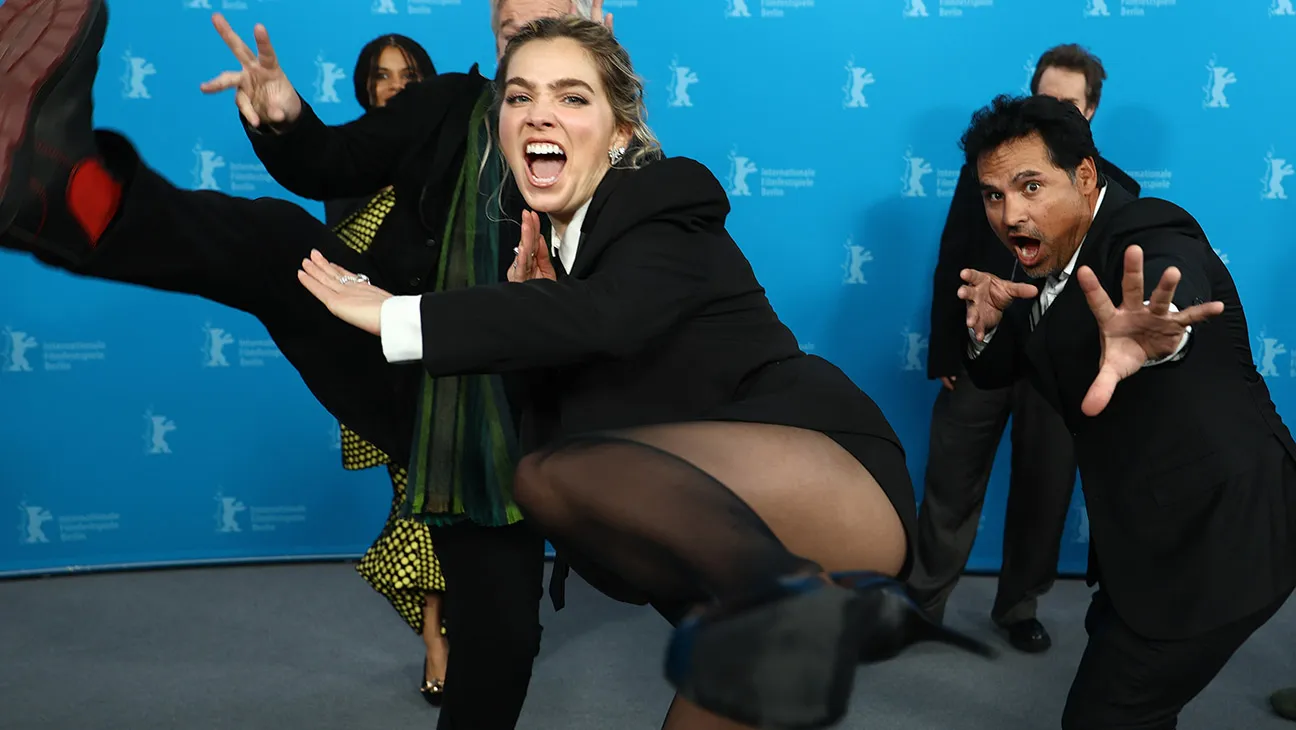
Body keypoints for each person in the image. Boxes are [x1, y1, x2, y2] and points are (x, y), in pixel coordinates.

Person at [298, 15, 993, 730]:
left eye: (573, 97)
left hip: (830, 480)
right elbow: (586, 390)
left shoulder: (662, 198)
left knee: (552, 473)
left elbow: (607, 319)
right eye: (519, 96)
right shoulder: (545, 255)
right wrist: (538, 317)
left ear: (622, 131)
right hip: (743, 554)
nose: (540, 112)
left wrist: (400, 316)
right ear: (499, 124)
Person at [0, 0, 610, 728]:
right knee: (277, 241)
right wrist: (285, 117)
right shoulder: (447, 103)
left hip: (527, 412)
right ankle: (64, 197)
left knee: (501, 643)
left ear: (589, 19)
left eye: (551, 23)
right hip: (411, 363)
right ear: (494, 29)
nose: (527, 34)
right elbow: (334, 160)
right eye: (513, 24)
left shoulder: (622, 141)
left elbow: (637, 277)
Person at [956, 93, 1296, 728]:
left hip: (1222, 534)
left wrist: (1160, 331)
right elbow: (1000, 368)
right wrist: (986, 327)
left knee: (1106, 716)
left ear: (1086, 177)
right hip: (1140, 540)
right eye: (994, 194)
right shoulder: (1045, 252)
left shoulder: (1143, 227)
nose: (1010, 213)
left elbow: (1170, 278)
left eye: (1031, 186)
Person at [910, 43, 1141, 654]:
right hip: (980, 356)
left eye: (1065, 103)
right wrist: (950, 352)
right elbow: (953, 257)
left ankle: (1018, 607)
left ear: (1089, 112)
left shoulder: (1117, 191)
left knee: (1045, 490)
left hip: (1060, 372)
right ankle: (921, 604)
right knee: (949, 484)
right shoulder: (986, 170)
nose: (1050, 111)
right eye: (1043, 98)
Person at [321, 32, 450, 705]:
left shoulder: (456, 156)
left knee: (450, 499)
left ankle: (460, 632)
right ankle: (438, 637)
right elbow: (341, 271)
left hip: (453, 351)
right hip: (386, 362)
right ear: (365, 88)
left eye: (409, 74)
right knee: (416, 498)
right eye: (382, 76)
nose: (396, 85)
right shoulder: (347, 166)